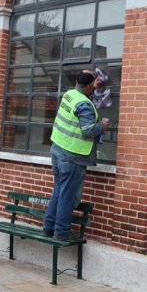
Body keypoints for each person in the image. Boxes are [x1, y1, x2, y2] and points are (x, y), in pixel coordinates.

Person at [42, 70, 109, 241]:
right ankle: (62, 232)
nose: (96, 85)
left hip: (57, 150)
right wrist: (102, 126)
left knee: (59, 190)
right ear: (88, 86)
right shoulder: (84, 105)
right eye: (93, 83)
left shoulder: (70, 94)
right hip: (72, 156)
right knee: (68, 194)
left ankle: (48, 227)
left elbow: (84, 96)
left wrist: (91, 80)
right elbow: (87, 130)